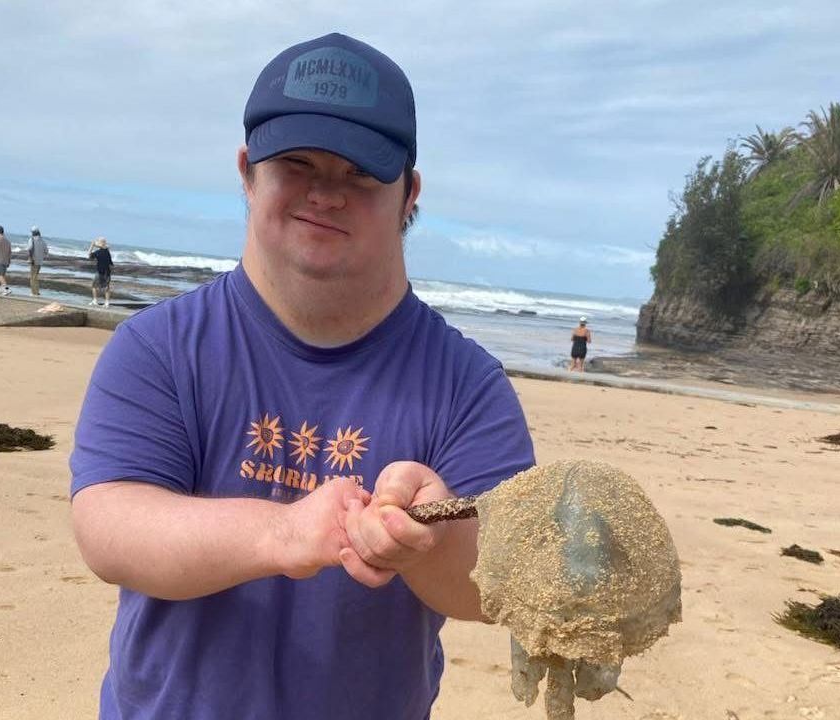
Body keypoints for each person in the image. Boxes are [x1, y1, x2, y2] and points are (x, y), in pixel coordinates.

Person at [70, 33, 536, 720]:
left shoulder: (468, 386)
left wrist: (427, 541)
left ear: (409, 193)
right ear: (246, 170)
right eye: (296, 163)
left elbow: (504, 582)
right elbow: (108, 527)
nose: (326, 192)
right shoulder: (158, 347)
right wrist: (283, 534)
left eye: (359, 173)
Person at [87, 237, 113, 307]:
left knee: (94, 286)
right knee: (106, 287)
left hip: (100, 271)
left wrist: (92, 246)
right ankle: (107, 303)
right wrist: (98, 244)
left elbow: (89, 256)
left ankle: (95, 300)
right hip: (107, 271)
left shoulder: (98, 252)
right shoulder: (107, 251)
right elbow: (106, 246)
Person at [27, 226, 49, 296]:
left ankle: (34, 293)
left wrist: (31, 258)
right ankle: (37, 291)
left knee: (32, 277)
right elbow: (46, 251)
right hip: (40, 262)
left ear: (33, 233)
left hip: (33, 261)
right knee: (35, 276)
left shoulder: (31, 240)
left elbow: (29, 249)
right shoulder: (43, 241)